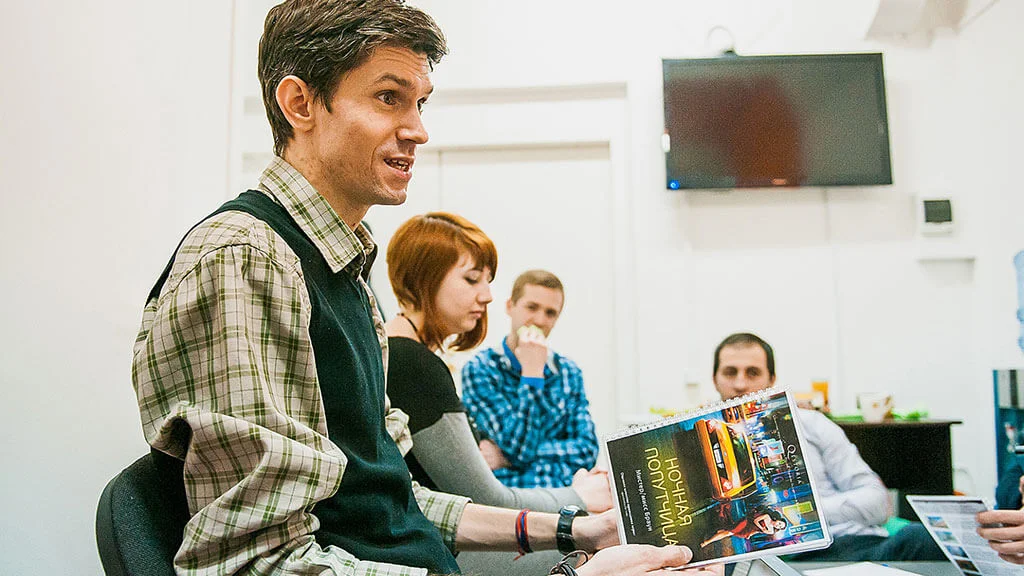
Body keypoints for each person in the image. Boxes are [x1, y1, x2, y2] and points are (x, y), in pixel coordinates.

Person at [131, 1, 720, 574]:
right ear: (300, 103)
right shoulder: (246, 259)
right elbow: (256, 563)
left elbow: (390, 500)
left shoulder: (342, 271)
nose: (418, 130)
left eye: (420, 103)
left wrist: (575, 530)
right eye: (389, 98)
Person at [383, 212, 614, 575]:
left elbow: (582, 448)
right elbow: (487, 495)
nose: (487, 296)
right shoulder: (415, 364)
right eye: (472, 279)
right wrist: (580, 495)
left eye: (488, 282)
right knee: (615, 547)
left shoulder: (406, 356)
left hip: (461, 534)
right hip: (441, 550)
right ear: (424, 278)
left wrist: (508, 457)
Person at [708, 332, 944, 562]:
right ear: (715, 379)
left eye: (753, 373)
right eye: (730, 372)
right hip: (756, 560)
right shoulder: (703, 434)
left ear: (771, 380)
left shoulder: (811, 423)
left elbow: (877, 502)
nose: (740, 384)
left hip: (845, 547)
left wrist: (802, 511)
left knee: (924, 538)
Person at [462, 269, 600, 490]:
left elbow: (587, 450)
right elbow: (519, 448)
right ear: (510, 306)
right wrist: (532, 374)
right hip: (510, 500)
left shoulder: (569, 372)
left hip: (565, 498)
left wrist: (505, 458)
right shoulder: (481, 369)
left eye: (550, 313)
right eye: (532, 307)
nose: (540, 320)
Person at [700, 506, 788, 548]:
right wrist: (762, 528)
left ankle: (717, 531)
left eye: (780, 527)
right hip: (746, 523)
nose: (778, 525)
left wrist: (750, 534)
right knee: (728, 532)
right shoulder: (767, 517)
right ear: (778, 520)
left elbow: (758, 531)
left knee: (727, 532)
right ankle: (707, 542)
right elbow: (756, 521)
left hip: (747, 531)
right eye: (780, 523)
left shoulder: (771, 531)